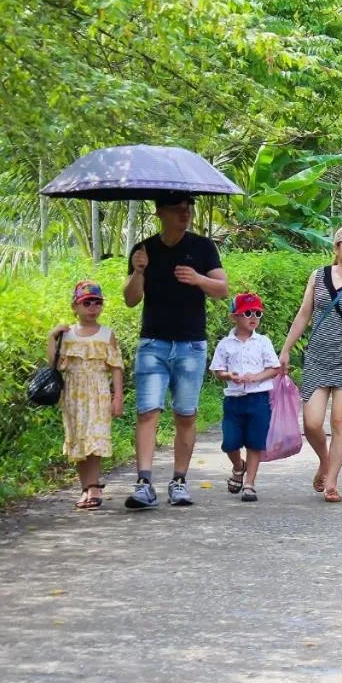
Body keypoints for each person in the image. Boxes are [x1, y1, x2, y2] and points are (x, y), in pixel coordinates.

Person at [124, 193, 228, 510]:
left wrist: (197, 279)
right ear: (160, 213)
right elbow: (130, 299)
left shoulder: (203, 248)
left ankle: (179, 481)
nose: (185, 214)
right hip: (153, 343)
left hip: (190, 344)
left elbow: (223, 290)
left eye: (188, 209)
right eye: (178, 209)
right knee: (148, 411)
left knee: (186, 413)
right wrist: (138, 271)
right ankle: (144, 483)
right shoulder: (144, 249)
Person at [279, 226, 342, 503]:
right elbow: (304, 315)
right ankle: (325, 462)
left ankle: (333, 481)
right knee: (312, 423)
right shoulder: (318, 276)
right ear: (336, 248)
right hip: (316, 356)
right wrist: (286, 349)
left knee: (339, 421)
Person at [48, 281, 124, 510]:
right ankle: (86, 488)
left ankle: (94, 486)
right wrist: (52, 337)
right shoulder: (67, 335)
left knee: (95, 438)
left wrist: (117, 396)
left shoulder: (107, 334)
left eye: (97, 302)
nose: (93, 307)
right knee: (79, 440)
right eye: (87, 302)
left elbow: (116, 367)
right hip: (73, 394)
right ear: (75, 306)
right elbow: (53, 364)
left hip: (99, 392)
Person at [209, 292, 280, 503]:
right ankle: (238, 466)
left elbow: (274, 368)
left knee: (255, 442)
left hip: (258, 399)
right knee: (230, 442)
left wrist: (256, 377)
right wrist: (228, 375)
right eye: (247, 313)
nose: (253, 317)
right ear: (234, 317)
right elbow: (217, 370)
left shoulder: (263, 342)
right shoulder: (225, 344)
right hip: (234, 399)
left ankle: (250, 483)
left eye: (257, 313)